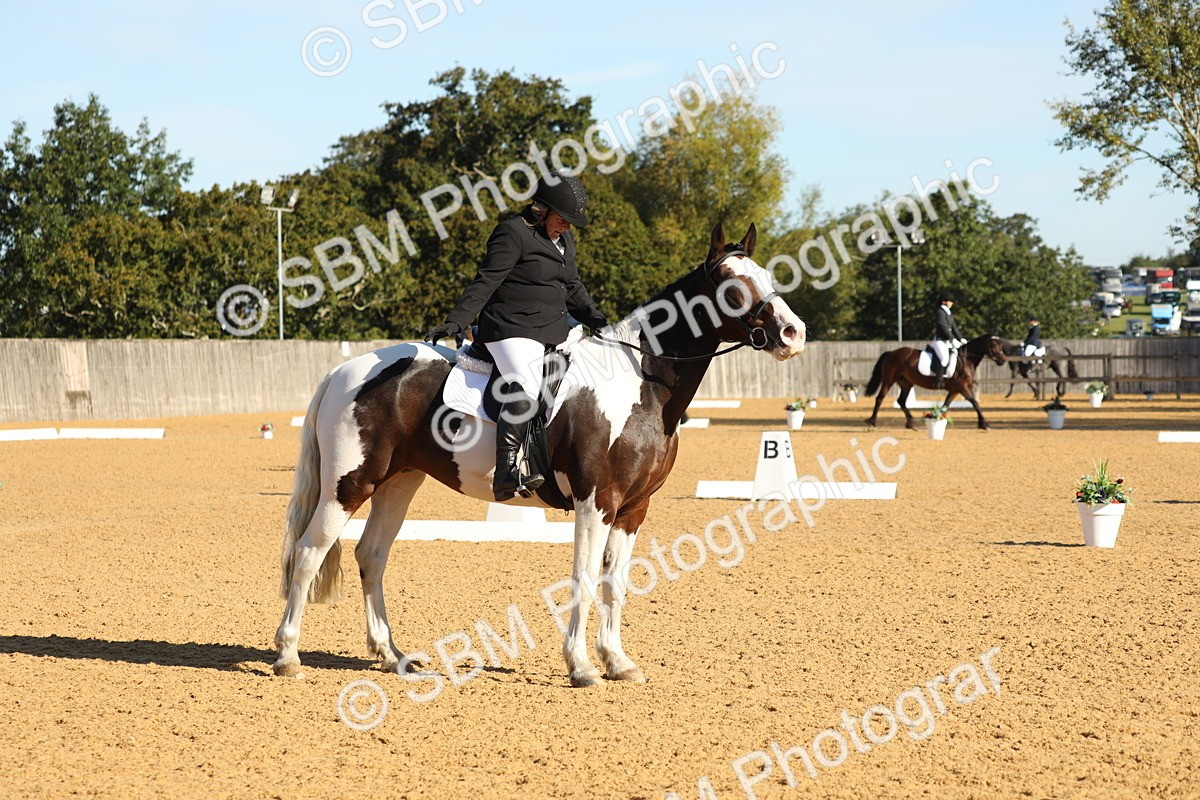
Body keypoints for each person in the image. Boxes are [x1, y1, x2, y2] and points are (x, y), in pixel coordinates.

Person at [424, 171, 608, 501]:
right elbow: (486, 281)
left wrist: (596, 317)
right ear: (543, 210)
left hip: (552, 330)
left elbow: (572, 286)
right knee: (526, 380)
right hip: (510, 329)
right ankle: (506, 472)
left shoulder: (564, 241)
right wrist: (456, 321)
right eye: (562, 220)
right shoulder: (513, 232)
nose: (567, 227)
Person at [932, 290, 967, 388]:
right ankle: (938, 381)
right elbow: (943, 328)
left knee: (955, 355)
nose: (952, 303)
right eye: (950, 301)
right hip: (940, 341)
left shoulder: (949, 313)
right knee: (944, 358)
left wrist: (961, 338)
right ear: (943, 301)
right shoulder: (940, 312)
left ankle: (950, 378)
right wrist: (952, 339)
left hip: (948, 341)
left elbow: (954, 328)